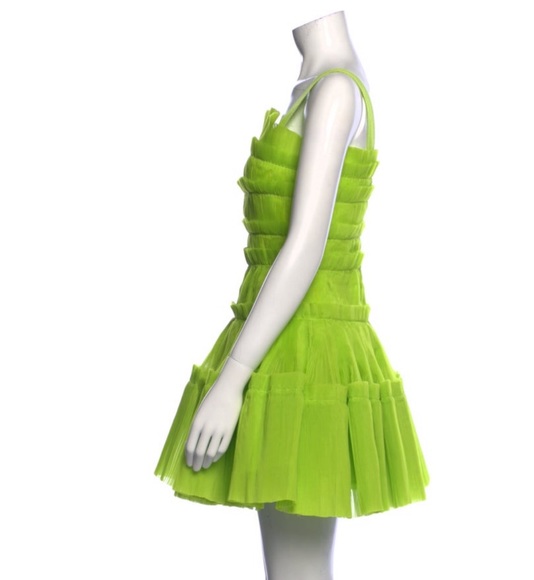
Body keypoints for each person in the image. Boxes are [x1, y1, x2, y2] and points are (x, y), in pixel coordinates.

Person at [155, 10, 429, 580]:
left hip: (309, 359)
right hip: (280, 342)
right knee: (290, 568)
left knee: (297, 569)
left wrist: (233, 378)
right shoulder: (316, 82)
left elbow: (305, 248)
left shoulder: (335, 88)